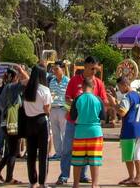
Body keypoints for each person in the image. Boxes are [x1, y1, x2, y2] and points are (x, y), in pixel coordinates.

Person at [57, 56, 108, 186]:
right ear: (85, 66)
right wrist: (78, 104)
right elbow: (67, 99)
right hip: (73, 122)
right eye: (92, 68)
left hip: (90, 125)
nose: (94, 72)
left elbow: (104, 102)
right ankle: (64, 175)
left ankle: (82, 176)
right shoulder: (74, 80)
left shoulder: (99, 83)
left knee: (88, 152)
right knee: (68, 149)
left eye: (96, 69)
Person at [0, 65, 28, 184]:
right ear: (14, 77)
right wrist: (22, 71)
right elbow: (30, 81)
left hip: (4, 122)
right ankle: (9, 178)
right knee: (13, 152)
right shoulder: (13, 87)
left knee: (10, 150)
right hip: (12, 123)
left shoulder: (3, 89)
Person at [70, 79, 105, 188]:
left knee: (77, 160)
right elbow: (103, 117)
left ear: (82, 86)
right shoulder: (98, 99)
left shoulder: (77, 99)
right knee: (95, 160)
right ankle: (94, 184)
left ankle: (75, 184)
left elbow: (72, 117)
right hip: (95, 132)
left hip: (80, 132)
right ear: (93, 86)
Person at [22, 64, 53, 188]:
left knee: (31, 153)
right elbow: (47, 110)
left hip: (29, 122)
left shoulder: (27, 89)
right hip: (41, 121)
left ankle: (32, 181)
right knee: (43, 154)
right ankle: (42, 182)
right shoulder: (44, 90)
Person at [115, 77, 140, 187]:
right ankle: (137, 177)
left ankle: (133, 177)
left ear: (125, 85)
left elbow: (122, 113)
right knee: (139, 155)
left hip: (129, 129)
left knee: (129, 155)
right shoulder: (139, 96)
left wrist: (114, 104)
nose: (119, 90)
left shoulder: (127, 97)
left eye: (119, 87)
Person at [49, 61, 70, 161]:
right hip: (53, 109)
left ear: (63, 69)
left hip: (63, 110)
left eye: (56, 69)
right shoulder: (52, 81)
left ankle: (66, 154)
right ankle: (58, 153)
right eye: (53, 69)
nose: (54, 71)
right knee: (56, 133)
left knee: (65, 133)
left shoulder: (68, 81)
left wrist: (67, 109)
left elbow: (69, 97)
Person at [0, 69, 16, 158]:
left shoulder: (14, 89)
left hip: (10, 116)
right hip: (3, 116)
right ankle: (0, 150)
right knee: (1, 134)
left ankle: (8, 150)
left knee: (8, 134)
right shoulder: (0, 90)